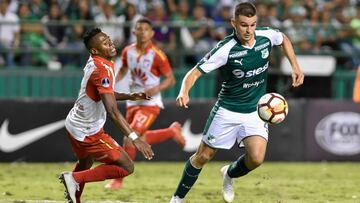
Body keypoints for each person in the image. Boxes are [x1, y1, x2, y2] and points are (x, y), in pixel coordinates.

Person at [169, 2, 304, 203]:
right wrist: (184, 89)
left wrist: (295, 66)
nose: (249, 30)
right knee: (203, 157)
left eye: (252, 24)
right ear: (233, 23)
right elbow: (195, 71)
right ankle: (176, 199)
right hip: (227, 110)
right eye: (243, 25)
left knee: (256, 159)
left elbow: (283, 39)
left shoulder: (266, 36)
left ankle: (229, 174)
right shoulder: (226, 49)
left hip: (256, 111)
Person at [59, 28, 154, 203]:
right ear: (94, 50)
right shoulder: (102, 69)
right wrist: (135, 137)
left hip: (74, 124)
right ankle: (73, 179)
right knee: (126, 166)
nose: (110, 43)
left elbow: (106, 93)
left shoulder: (97, 61)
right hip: (89, 132)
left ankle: (75, 197)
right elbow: (111, 111)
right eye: (104, 43)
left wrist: (130, 95)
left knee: (85, 163)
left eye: (109, 39)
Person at [105, 17, 186, 190]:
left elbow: (170, 80)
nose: (142, 32)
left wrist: (154, 90)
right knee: (137, 138)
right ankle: (171, 132)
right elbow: (124, 70)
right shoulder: (128, 51)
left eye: (146, 29)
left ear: (152, 33)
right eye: (139, 29)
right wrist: (112, 82)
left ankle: (118, 179)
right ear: (134, 32)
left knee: (129, 136)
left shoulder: (158, 55)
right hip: (133, 102)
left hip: (150, 104)